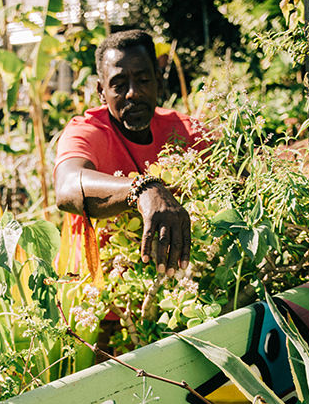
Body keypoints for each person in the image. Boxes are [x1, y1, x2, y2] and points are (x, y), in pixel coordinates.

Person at [54, 29, 208, 277]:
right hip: (94, 297)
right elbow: (67, 187)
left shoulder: (184, 130)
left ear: (158, 80)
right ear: (101, 91)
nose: (133, 93)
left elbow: (236, 175)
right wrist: (142, 189)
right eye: (119, 84)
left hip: (172, 295)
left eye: (143, 80)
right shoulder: (87, 131)